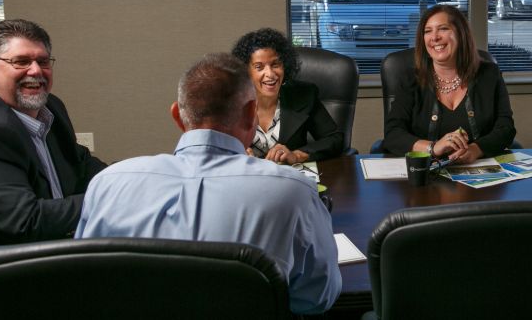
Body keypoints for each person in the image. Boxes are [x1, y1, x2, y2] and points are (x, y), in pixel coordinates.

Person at [76, 53, 341, 315]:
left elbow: (85, 285)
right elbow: (317, 298)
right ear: (251, 113)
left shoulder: (105, 185)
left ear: (178, 117)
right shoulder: (295, 192)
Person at [0, 19, 106, 269]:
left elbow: (80, 164)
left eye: (43, 61)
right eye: (21, 62)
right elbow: (25, 223)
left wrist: (134, 178)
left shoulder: (49, 107)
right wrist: (116, 196)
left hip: (42, 254)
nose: (36, 71)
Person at [383, 4, 516, 163]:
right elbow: (393, 133)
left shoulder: (489, 74)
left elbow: (505, 129)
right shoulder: (410, 79)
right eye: (428, 31)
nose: (434, 37)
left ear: (461, 34)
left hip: (479, 173)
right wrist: (433, 147)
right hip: (424, 176)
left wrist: (476, 150)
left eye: (443, 29)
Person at [231, 28, 343, 163]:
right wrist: (234, 152)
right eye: (259, 67)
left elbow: (334, 139)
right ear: (246, 71)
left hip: (289, 178)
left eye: (275, 64)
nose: (270, 74)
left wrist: (297, 155)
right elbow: (210, 142)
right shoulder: (231, 101)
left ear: (285, 65)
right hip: (245, 178)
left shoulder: (303, 95)